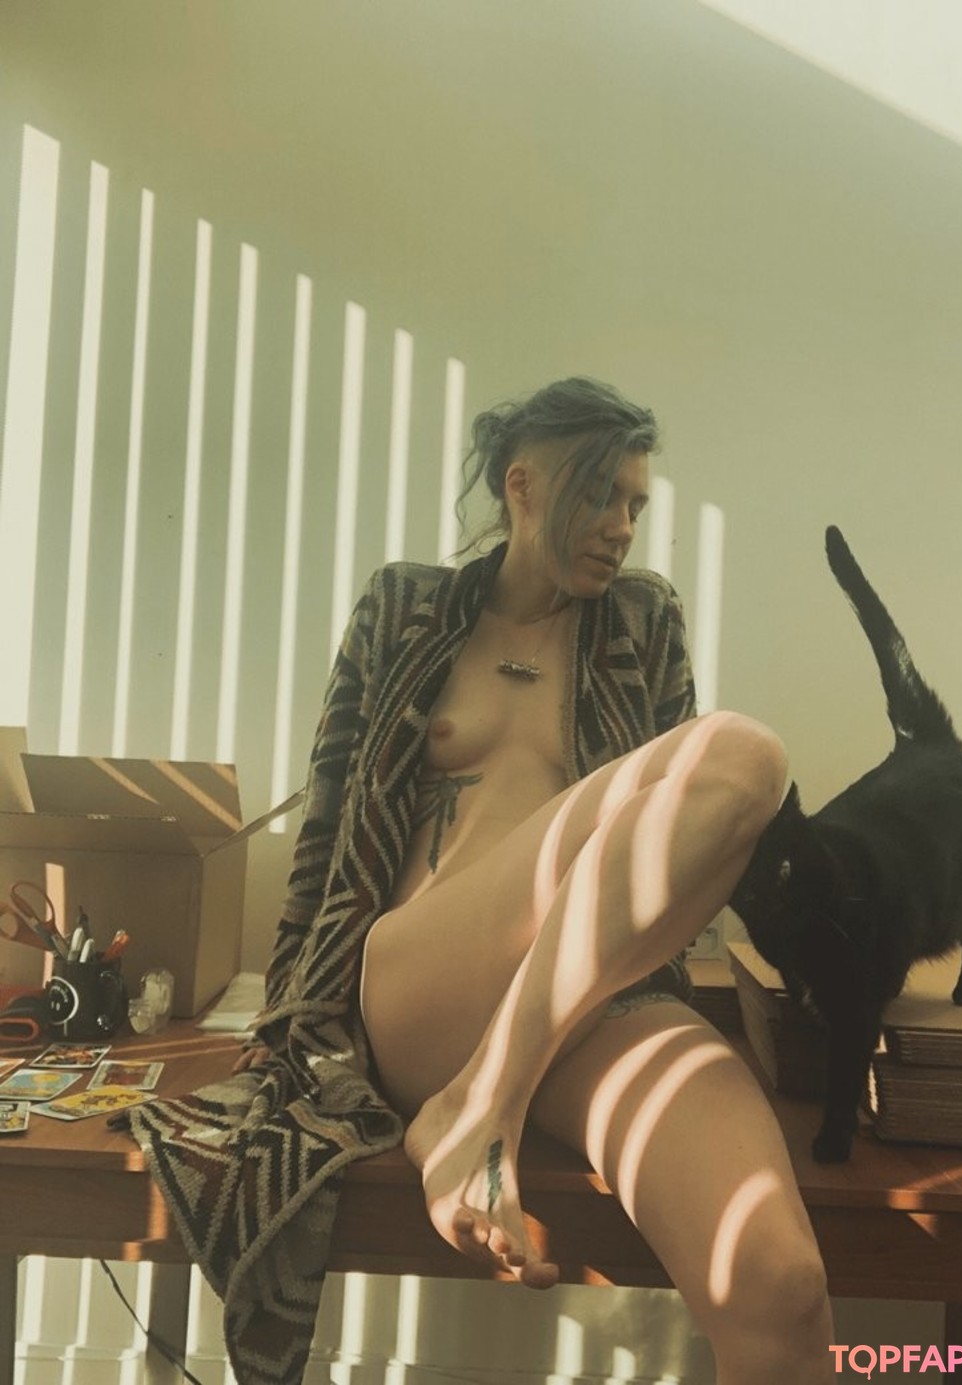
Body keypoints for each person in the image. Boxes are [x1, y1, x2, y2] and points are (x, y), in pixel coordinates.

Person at [235, 376, 834, 1383]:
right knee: (742, 752)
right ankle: (475, 1101)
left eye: (635, 503)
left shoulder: (643, 622)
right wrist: (287, 1026)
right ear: (522, 485)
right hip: (423, 984)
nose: (622, 526)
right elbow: (329, 826)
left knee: (779, 1282)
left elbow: (672, 842)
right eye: (600, 495)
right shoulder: (406, 608)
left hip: (586, 999)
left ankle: (487, 1095)